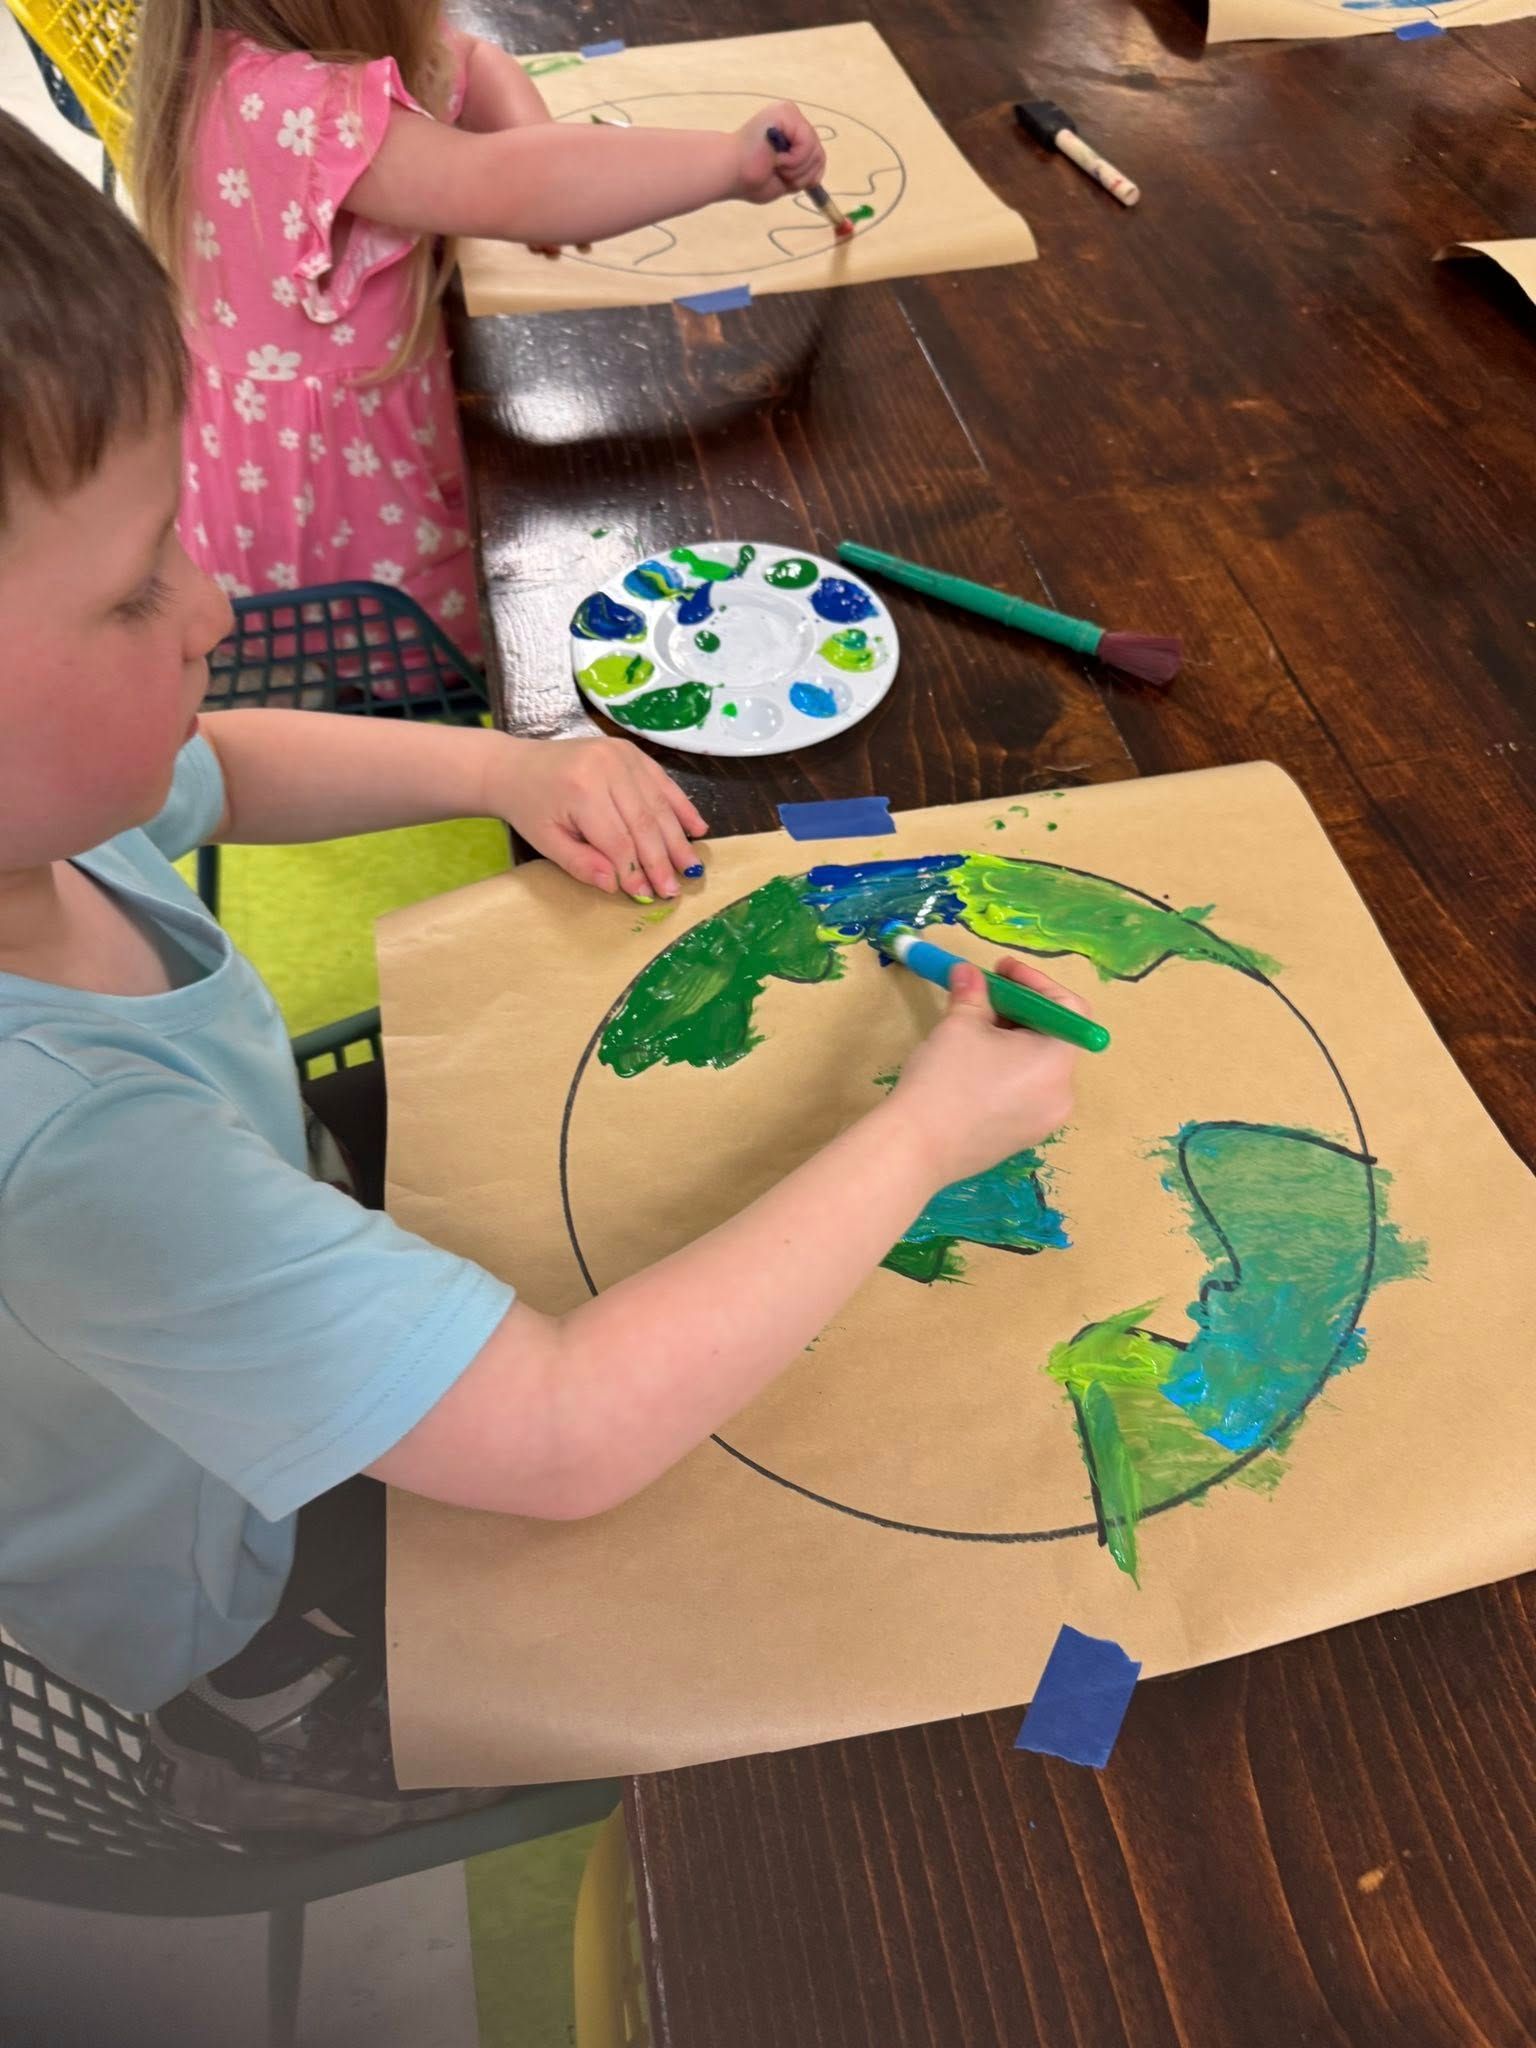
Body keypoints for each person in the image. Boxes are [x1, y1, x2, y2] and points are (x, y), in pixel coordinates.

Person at [0, 111, 1085, 1837]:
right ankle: (273, 1756)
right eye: (136, 589)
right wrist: (924, 1133)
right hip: (243, 1581)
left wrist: (500, 770)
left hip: (239, 1320)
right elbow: (566, 1437)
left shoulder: (41, 817)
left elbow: (223, 760)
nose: (212, 605)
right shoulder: (71, 1154)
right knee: (858, 1737)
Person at [129, 0, 829, 664]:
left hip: (321, 447)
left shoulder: (243, 44)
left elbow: (467, 61)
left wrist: (536, 142)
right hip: (338, 510)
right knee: (518, 623)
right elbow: (505, 185)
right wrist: (730, 161)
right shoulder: (294, 105)